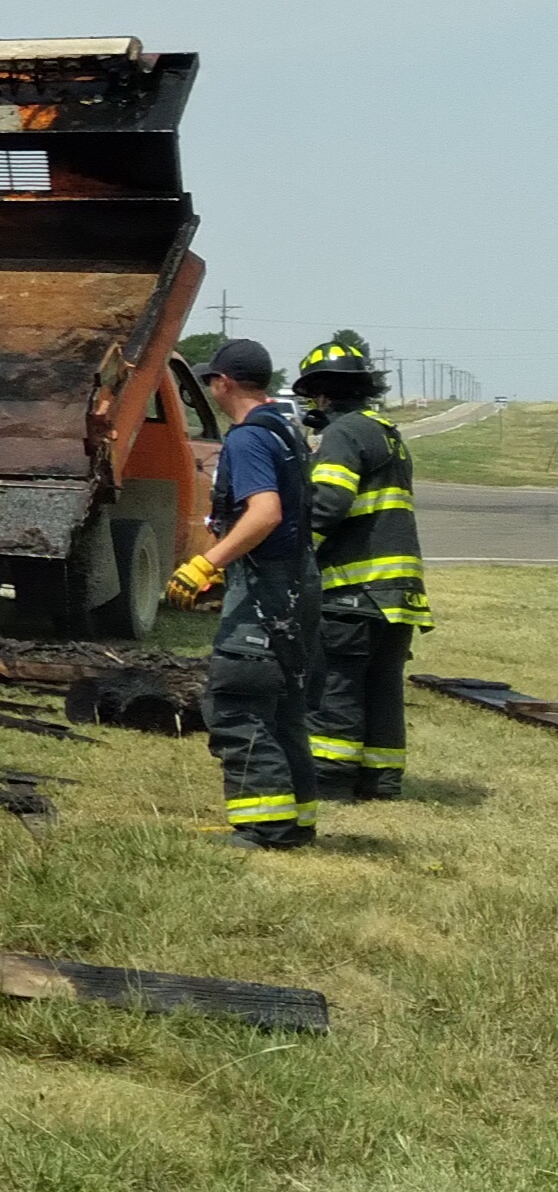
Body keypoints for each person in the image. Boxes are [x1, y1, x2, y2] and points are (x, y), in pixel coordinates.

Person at [168, 338, 319, 848]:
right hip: (297, 583)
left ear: (223, 383)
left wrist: (203, 564)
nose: (209, 387)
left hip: (266, 590)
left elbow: (265, 512)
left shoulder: (248, 439)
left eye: (211, 380)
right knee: (282, 706)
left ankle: (264, 827)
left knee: (236, 701)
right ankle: (295, 822)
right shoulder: (286, 430)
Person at [292, 341, 429, 803]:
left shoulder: (344, 434)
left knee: (337, 683)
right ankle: (382, 781)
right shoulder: (386, 432)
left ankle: (331, 781)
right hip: (397, 592)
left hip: (354, 589)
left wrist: (294, 557)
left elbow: (328, 502)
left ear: (322, 396)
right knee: (383, 685)